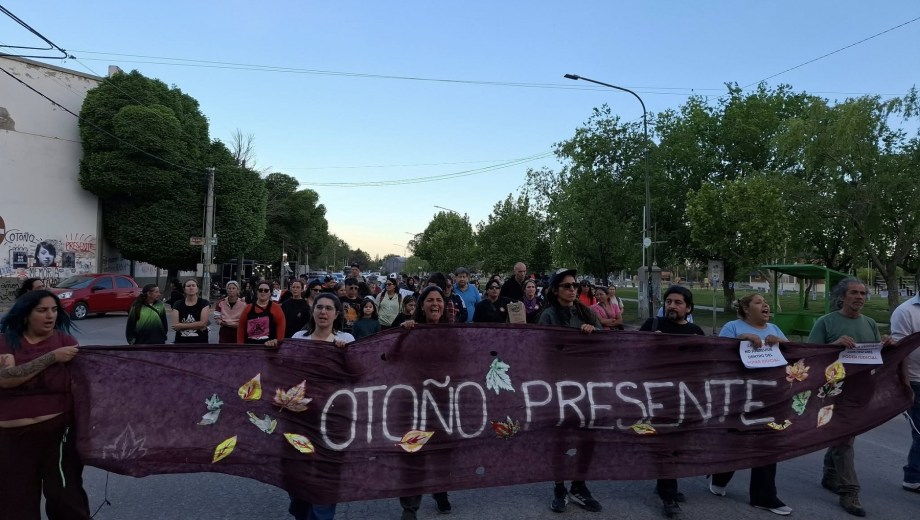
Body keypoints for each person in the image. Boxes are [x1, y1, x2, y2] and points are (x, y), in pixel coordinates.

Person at [0, 290, 90, 519]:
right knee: (16, 503)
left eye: (54, 310)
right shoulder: (6, 341)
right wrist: (52, 357)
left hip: (58, 434)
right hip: (12, 438)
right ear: (26, 314)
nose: (50, 315)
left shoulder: (66, 341)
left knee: (65, 498)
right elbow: (6, 379)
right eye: (42, 310)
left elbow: (82, 384)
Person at [808, 277, 893, 517]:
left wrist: (886, 344)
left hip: (859, 390)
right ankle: (849, 491)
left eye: (863, 293)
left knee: (844, 437)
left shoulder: (870, 323)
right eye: (854, 293)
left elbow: (874, 354)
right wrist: (834, 345)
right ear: (842, 297)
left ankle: (830, 475)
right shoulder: (826, 322)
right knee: (844, 439)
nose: (859, 297)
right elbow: (810, 356)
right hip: (831, 390)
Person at [712, 294, 792, 515]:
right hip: (738, 397)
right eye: (758, 302)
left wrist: (783, 344)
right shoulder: (733, 327)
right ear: (746, 309)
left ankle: (764, 497)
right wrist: (738, 341)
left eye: (765, 302)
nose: (765, 305)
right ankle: (719, 476)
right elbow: (715, 355)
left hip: (770, 397)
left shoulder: (774, 329)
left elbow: (795, 355)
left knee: (767, 443)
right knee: (736, 443)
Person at [538, 268, 603, 513]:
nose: (572, 289)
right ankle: (559, 486)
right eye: (566, 286)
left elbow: (604, 343)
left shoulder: (586, 312)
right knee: (561, 438)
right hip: (558, 386)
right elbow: (542, 350)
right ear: (556, 290)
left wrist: (592, 333)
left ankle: (579, 485)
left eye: (575, 285)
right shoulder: (548, 316)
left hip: (586, 384)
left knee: (587, 436)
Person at [640, 285, 704, 519]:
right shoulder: (652, 326)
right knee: (666, 444)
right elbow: (630, 353)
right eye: (668, 302)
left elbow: (703, 363)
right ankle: (669, 496)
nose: (672, 306)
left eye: (678, 302)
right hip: (657, 396)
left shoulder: (695, 332)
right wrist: (649, 344)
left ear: (688, 308)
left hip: (685, 397)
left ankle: (664, 482)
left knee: (678, 444)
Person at [288, 292, 353, 520]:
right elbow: (286, 372)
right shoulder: (298, 338)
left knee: (325, 480)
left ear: (336, 314)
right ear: (313, 310)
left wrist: (346, 355)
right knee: (300, 480)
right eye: (319, 307)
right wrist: (272, 347)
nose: (323, 312)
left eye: (328, 308)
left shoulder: (346, 341)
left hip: (332, 422)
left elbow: (356, 376)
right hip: (302, 419)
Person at [397, 285, 452, 519]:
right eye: (429, 300)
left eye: (438, 300)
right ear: (421, 305)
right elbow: (392, 358)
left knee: (442, 451)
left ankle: (440, 490)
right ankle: (410, 508)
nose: (435, 304)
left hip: (444, 401)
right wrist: (402, 334)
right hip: (415, 401)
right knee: (414, 450)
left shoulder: (452, 333)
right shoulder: (410, 330)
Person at [890, 288, 920, 494]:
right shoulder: (906, 311)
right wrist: (904, 381)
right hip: (915, 379)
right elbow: (899, 351)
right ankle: (913, 477)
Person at [237, 281, 286, 347]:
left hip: (269, 350)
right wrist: (240, 347)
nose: (263, 292)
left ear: (270, 292)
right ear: (257, 292)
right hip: (249, 349)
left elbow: (281, 331)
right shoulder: (248, 308)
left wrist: (278, 344)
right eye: (260, 290)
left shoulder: (276, 309)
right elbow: (241, 329)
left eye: (266, 290)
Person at [170, 279, 211, 344]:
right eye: (188, 286)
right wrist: (197, 325)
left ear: (197, 289)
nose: (191, 288)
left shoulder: (204, 303)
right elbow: (175, 326)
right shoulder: (177, 304)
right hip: (181, 342)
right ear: (184, 289)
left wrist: (181, 326)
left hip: (200, 342)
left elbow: (203, 323)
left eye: (193, 285)